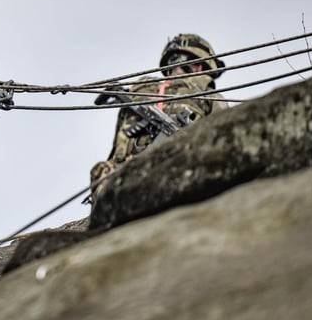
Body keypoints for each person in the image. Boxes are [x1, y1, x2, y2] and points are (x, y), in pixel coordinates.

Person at [88, 34, 228, 199]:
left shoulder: (140, 89)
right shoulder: (210, 96)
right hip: (170, 175)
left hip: (124, 182)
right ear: (200, 65)